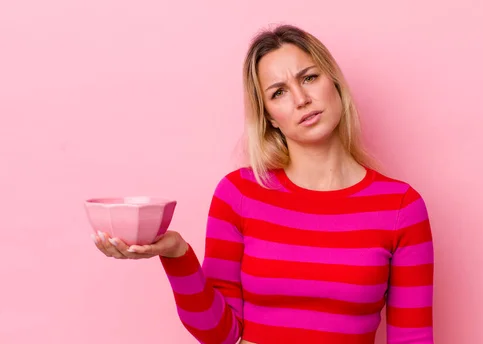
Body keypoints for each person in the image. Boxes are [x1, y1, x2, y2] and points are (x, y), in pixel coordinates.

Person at [92, 24, 435, 344]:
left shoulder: (400, 207)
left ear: (335, 84)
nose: (301, 99)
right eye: (279, 92)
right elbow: (220, 334)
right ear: (269, 116)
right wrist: (177, 254)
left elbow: (413, 339)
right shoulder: (238, 194)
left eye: (310, 78)